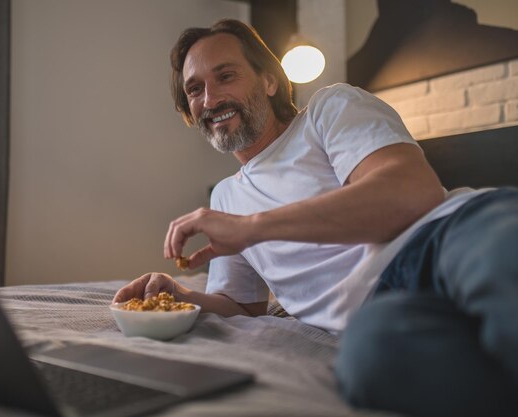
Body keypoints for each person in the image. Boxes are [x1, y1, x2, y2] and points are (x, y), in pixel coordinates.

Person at [113, 19, 518, 417]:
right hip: (379, 311)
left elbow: (412, 192)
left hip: (446, 237)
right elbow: (241, 305)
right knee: (372, 363)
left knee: (501, 259)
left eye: (226, 76)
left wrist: (251, 228)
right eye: (195, 89)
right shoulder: (224, 199)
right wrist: (180, 297)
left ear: (269, 81)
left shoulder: (329, 109)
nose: (211, 98)